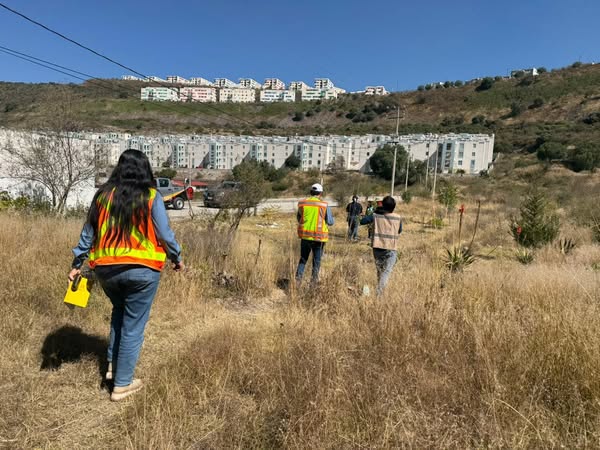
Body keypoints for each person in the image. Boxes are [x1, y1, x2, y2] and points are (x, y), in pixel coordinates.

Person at [68, 149, 184, 402]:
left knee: (119, 314)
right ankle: (122, 384)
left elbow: (88, 234)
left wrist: (77, 264)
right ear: (146, 170)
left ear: (119, 169)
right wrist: (177, 257)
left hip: (106, 270)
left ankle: (112, 366)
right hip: (143, 270)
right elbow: (164, 234)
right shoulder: (151, 196)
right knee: (133, 326)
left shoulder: (102, 196)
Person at [360, 196, 402, 297]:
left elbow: (362, 221)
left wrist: (376, 211)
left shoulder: (375, 216)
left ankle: (380, 293)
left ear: (382, 205)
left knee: (380, 271)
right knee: (386, 272)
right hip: (391, 248)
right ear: (393, 207)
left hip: (377, 248)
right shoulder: (398, 217)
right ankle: (379, 294)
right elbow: (399, 230)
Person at [296, 183, 334, 285]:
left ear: (310, 192)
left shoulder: (302, 203)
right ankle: (313, 284)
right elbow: (330, 222)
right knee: (316, 262)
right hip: (319, 238)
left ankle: (297, 283)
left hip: (305, 236)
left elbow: (299, 218)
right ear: (320, 193)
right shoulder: (324, 205)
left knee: (303, 259)